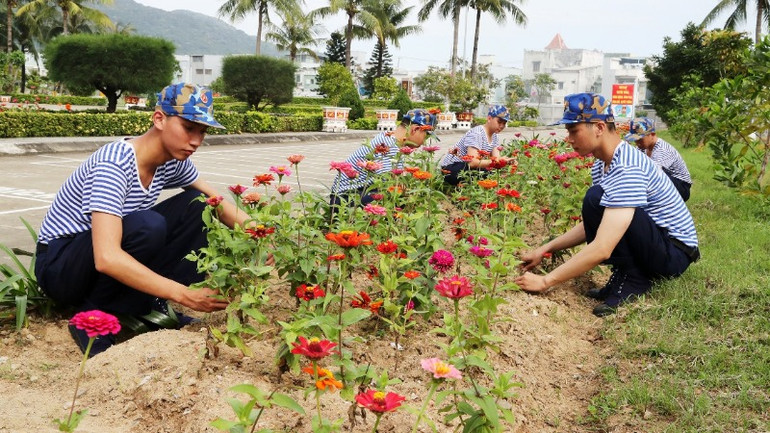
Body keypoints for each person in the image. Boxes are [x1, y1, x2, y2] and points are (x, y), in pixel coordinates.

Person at [35, 82, 245, 356]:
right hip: (61, 265)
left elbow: (216, 201)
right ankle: (90, 319)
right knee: (148, 226)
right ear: (159, 118)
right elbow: (107, 257)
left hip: (95, 259)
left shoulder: (173, 161)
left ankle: (147, 304)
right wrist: (183, 294)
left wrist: (260, 234)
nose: (195, 141)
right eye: (188, 128)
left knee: (198, 205)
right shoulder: (114, 164)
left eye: (202, 132)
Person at [515, 93, 699, 317]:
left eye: (574, 130)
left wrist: (545, 281)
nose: (568, 138)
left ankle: (634, 279)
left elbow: (603, 247)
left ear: (599, 127)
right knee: (596, 200)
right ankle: (627, 273)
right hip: (657, 244)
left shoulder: (627, 167)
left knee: (595, 197)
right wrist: (544, 250)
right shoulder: (602, 164)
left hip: (674, 254)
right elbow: (599, 223)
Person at [329, 108, 438, 207]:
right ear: (415, 129)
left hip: (359, 192)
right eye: (426, 135)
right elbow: (388, 184)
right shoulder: (387, 145)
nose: (425, 141)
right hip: (345, 199)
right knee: (394, 198)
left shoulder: (391, 139)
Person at [439, 105, 515, 186]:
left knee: (494, 173)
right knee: (487, 175)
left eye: (504, 123)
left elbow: (496, 159)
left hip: (467, 168)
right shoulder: (477, 133)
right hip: (452, 168)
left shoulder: (495, 136)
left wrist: (507, 162)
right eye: (499, 122)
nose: (502, 126)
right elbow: (473, 162)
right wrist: (497, 162)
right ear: (489, 118)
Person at [625, 117, 692, 201]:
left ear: (652, 135)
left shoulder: (662, 149)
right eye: (635, 140)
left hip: (681, 186)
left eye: (640, 140)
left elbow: (654, 176)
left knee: (651, 172)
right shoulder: (643, 147)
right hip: (665, 180)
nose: (637, 143)